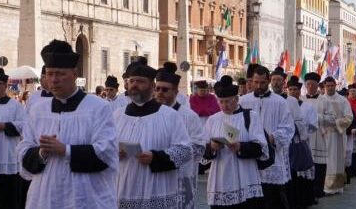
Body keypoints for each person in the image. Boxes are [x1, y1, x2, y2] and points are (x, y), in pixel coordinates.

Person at [17, 40, 118, 209]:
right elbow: (23, 149)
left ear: (74, 73)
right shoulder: (38, 110)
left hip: (85, 197)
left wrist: (66, 150)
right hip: (46, 197)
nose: (54, 80)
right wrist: (41, 152)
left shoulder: (98, 107)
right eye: (49, 74)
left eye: (60, 74)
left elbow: (106, 152)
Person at [114, 62, 192, 209]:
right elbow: (104, 149)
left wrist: (155, 157)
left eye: (140, 81)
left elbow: (185, 151)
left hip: (158, 190)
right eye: (131, 81)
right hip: (124, 189)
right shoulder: (117, 116)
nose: (134, 85)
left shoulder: (170, 116)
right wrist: (115, 152)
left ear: (152, 86)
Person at [203, 75, 267, 209]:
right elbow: (203, 149)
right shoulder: (213, 120)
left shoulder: (250, 117)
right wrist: (213, 147)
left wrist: (240, 146)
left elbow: (260, 147)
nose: (224, 105)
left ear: (237, 99)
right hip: (219, 179)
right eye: (221, 102)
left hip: (245, 176)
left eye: (228, 101)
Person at [239, 65, 294, 209]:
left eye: (262, 83)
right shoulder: (243, 101)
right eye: (255, 82)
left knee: (273, 199)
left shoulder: (280, 102)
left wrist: (273, 137)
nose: (258, 86)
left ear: (268, 81)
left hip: (273, 157)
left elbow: (288, 128)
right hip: (250, 157)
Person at [154, 66, 206, 209]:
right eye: (157, 89)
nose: (159, 93)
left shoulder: (189, 116)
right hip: (154, 175)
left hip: (180, 176)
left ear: (176, 92)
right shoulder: (149, 114)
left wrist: (171, 154)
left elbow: (199, 146)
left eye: (165, 90)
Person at [0, 68, 25, 209]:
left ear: (5, 86)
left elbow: (24, 126)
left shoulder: (15, 106)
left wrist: (5, 126)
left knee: (7, 198)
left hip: (7, 157)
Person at [302, 72, 336, 198]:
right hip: (304, 138)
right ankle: (306, 193)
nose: (310, 86)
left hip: (320, 137)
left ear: (317, 85)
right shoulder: (301, 100)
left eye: (313, 84)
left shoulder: (325, 100)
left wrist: (316, 118)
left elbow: (332, 118)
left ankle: (318, 191)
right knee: (305, 166)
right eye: (308, 84)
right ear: (305, 85)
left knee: (319, 166)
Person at [286, 76, 318, 208]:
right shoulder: (284, 104)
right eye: (291, 89)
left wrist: (302, 129)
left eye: (295, 89)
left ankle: (304, 198)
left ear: (300, 91)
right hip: (287, 144)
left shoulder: (307, 106)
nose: (293, 92)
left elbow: (313, 125)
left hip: (301, 142)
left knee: (302, 170)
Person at [322, 77, 353, 194]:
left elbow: (349, 117)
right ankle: (324, 186)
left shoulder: (342, 100)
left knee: (337, 160)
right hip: (323, 135)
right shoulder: (320, 100)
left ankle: (337, 186)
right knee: (324, 160)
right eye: (327, 86)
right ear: (324, 86)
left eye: (332, 85)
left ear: (335, 86)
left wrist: (335, 123)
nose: (330, 88)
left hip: (337, 136)